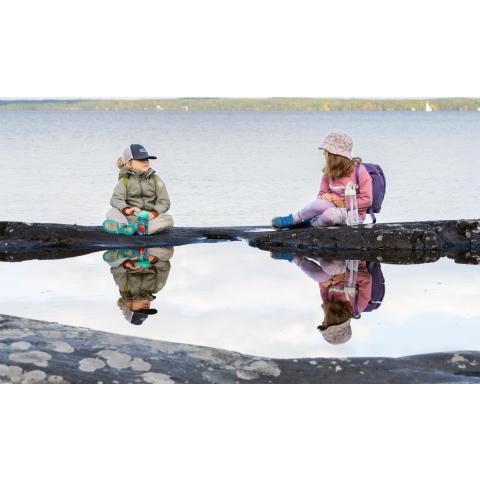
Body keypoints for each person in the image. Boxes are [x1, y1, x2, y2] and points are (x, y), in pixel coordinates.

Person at [272, 132, 373, 229]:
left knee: (330, 215)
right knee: (318, 204)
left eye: (326, 151)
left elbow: (367, 200)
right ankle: (295, 219)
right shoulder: (329, 172)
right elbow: (321, 195)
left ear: (335, 156)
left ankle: (311, 224)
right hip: (333, 207)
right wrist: (324, 198)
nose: (323, 154)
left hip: (353, 215)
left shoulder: (359, 171)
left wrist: (342, 203)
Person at [103, 144, 173, 235]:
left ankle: (134, 229)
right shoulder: (125, 180)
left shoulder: (155, 179)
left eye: (147, 159)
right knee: (111, 212)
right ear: (129, 163)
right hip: (128, 218)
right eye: (141, 159)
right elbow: (116, 199)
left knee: (168, 219)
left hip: (148, 220)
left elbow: (164, 202)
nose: (146, 162)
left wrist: (153, 213)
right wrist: (127, 209)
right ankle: (125, 226)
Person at [103, 247, 174, 325]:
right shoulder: (156, 287)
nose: (146, 308)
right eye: (147, 310)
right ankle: (144, 245)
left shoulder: (125, 288)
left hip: (131, 257)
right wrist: (154, 260)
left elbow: (116, 271)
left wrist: (126, 265)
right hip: (151, 254)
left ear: (129, 306)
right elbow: (165, 267)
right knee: (168, 253)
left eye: (141, 310)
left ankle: (131, 248)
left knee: (113, 261)